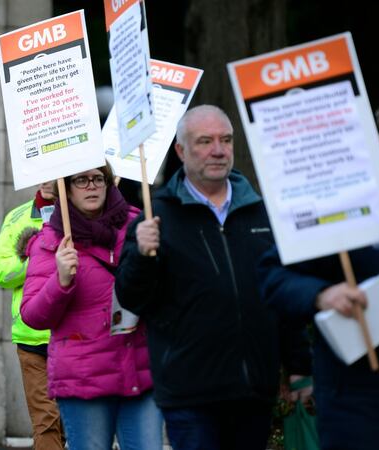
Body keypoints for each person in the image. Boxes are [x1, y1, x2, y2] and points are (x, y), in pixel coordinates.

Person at [115, 105, 312, 450]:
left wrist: (298, 365)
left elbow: (283, 293)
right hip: (189, 394)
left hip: (254, 390)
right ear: (181, 150)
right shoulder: (156, 217)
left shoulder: (262, 212)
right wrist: (144, 257)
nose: (218, 150)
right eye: (205, 141)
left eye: (225, 140)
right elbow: (131, 298)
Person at [258, 97, 379, 449]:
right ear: (378, 145)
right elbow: (274, 279)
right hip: (363, 410)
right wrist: (322, 295)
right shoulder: (343, 203)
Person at [20, 165, 163, 450]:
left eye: (98, 178)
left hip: (140, 370)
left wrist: (153, 257)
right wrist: (60, 281)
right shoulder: (51, 240)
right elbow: (32, 316)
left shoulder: (138, 226)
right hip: (84, 379)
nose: (91, 186)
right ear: (67, 189)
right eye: (81, 180)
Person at [0, 181, 64, 450]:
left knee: (76, 423)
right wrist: (37, 259)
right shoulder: (17, 217)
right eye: (43, 174)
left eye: (54, 174)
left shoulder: (82, 213)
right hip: (32, 338)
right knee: (46, 421)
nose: (47, 181)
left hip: (74, 334)